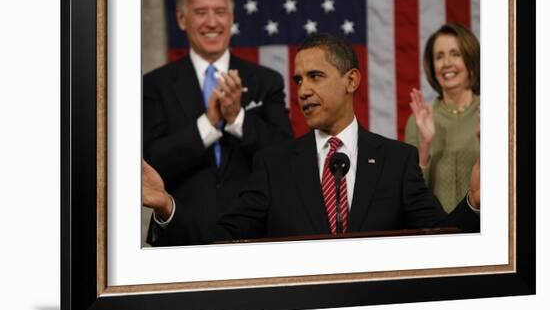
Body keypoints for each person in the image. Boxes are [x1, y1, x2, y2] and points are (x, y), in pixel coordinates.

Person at [143, 33, 480, 244]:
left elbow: (442, 240)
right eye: (299, 80)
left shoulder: (397, 160)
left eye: (315, 77)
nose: (303, 90)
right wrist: (167, 206)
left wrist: (474, 202)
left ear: (351, 81)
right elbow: (221, 239)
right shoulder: (273, 164)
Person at [143, 0, 293, 246]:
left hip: (254, 240)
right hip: (180, 237)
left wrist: (237, 118)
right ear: (181, 18)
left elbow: (285, 157)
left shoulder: (267, 81)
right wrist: (209, 124)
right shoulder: (154, 85)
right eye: (200, 12)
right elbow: (152, 162)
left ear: (232, 17)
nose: (212, 22)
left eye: (220, 12)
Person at [405, 23, 480, 213]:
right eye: (439, 56)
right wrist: (425, 146)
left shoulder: (496, 112)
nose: (446, 63)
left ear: (470, 59)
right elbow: (410, 192)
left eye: (455, 54)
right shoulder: (418, 121)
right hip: (436, 231)